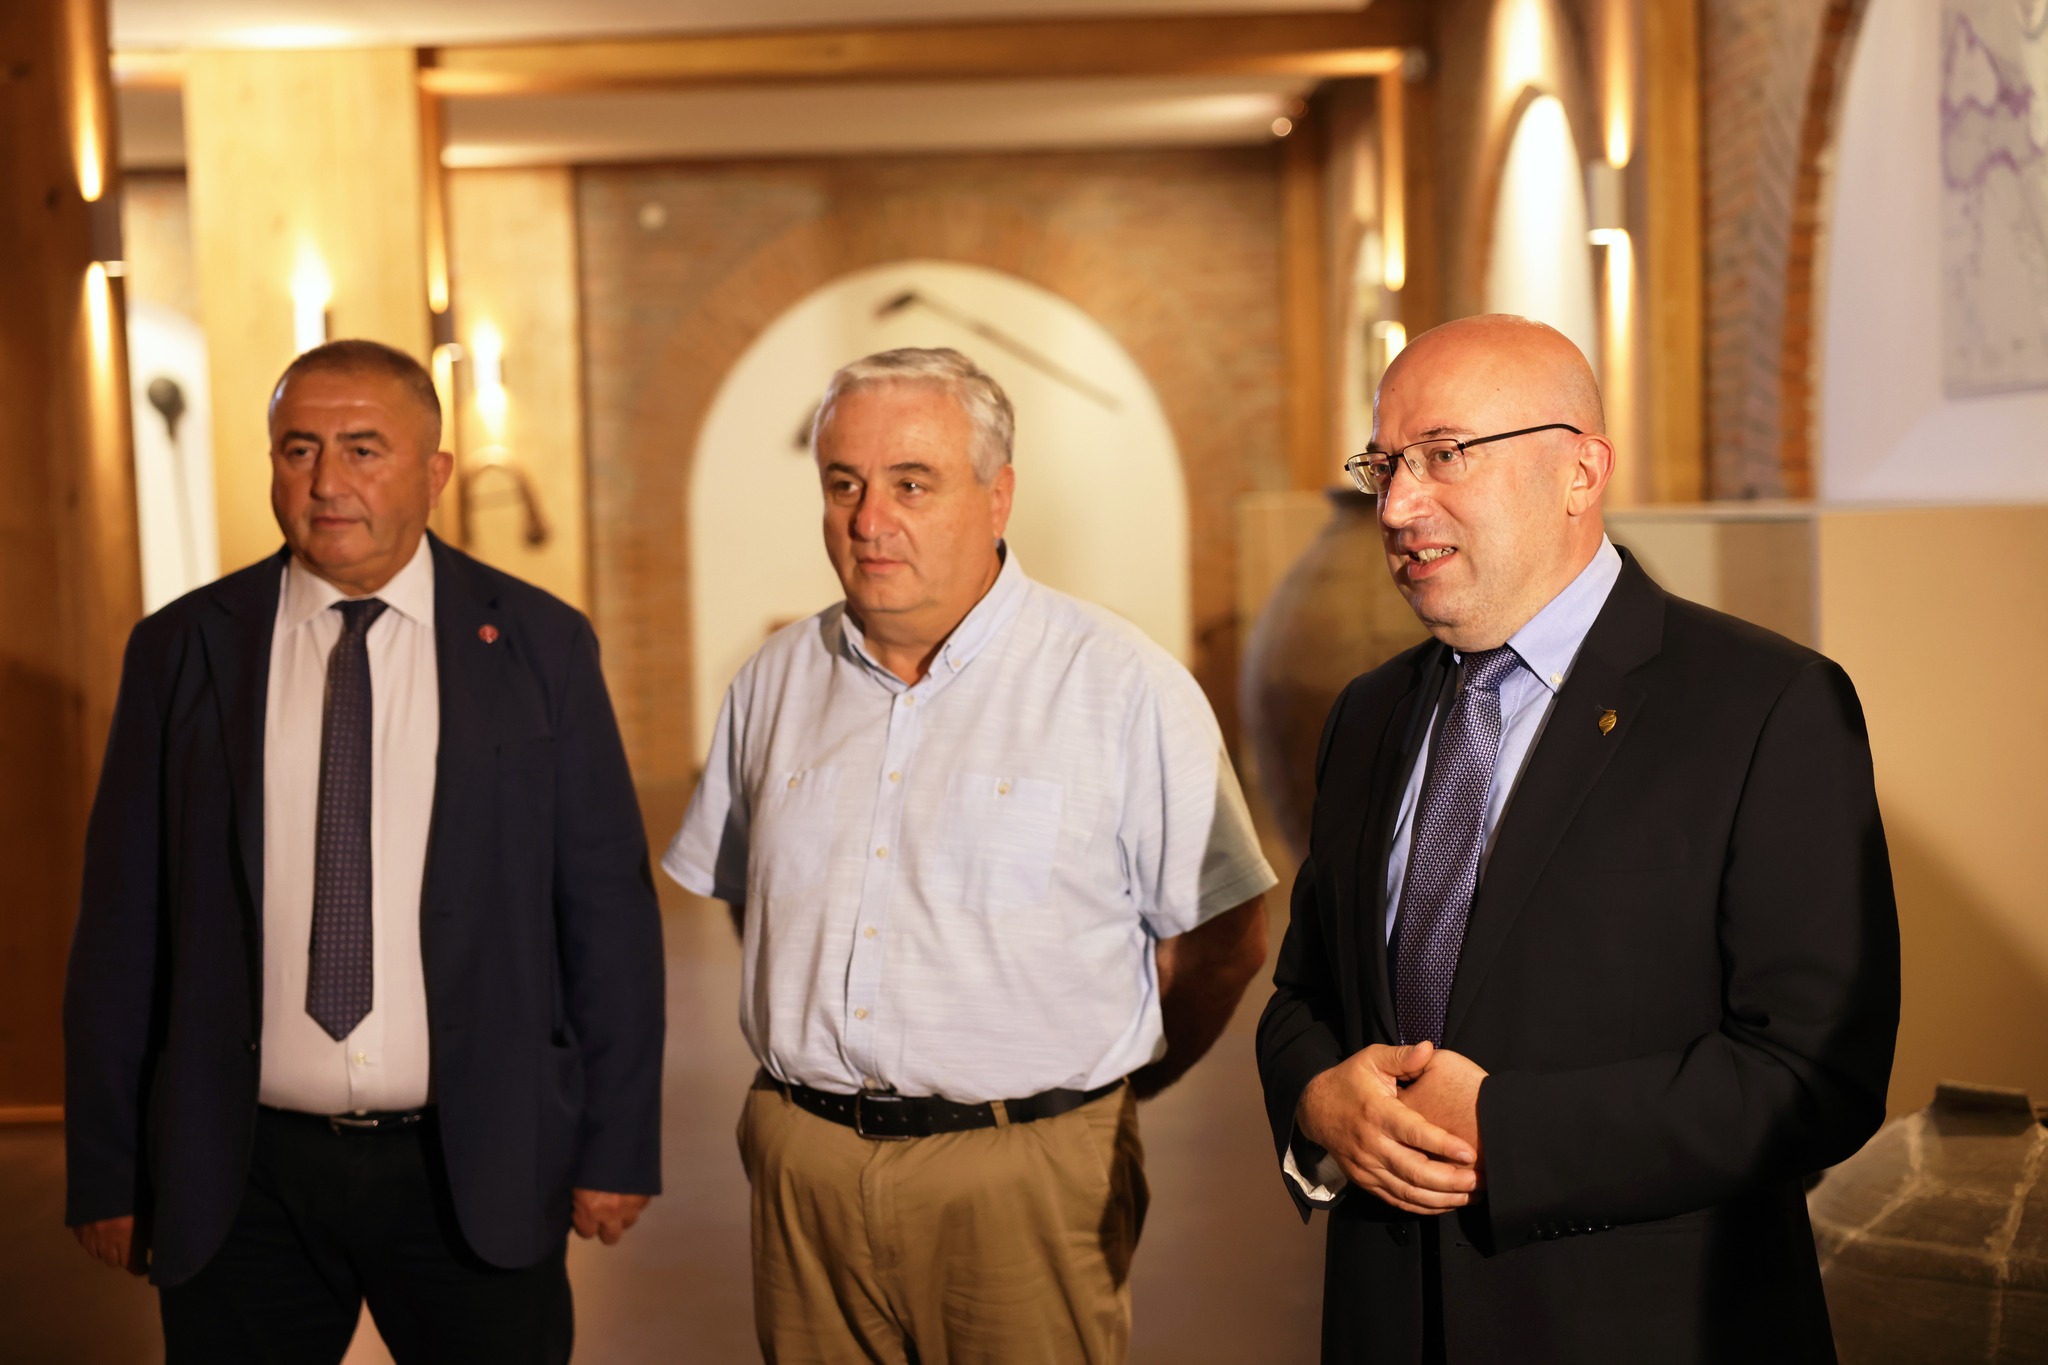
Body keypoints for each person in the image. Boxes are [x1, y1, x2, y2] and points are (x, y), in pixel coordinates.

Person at [1255, 315, 1900, 1363]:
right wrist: (1317, 1102)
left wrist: (1504, 1128)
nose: (1397, 506)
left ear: (1580, 472)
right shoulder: (1366, 715)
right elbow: (1303, 997)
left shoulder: (1766, 706)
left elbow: (1815, 1074)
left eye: (1443, 455)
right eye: (1383, 465)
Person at [665, 346, 1276, 1364]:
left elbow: (1227, 937)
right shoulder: (770, 682)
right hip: (803, 1171)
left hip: (1024, 1177)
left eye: (912, 484)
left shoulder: (1121, 685)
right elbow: (750, 898)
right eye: (844, 484)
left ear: (998, 497)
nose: (869, 520)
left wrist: (1115, 1088)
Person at [64, 339, 666, 1364]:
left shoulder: (539, 644)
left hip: (471, 1166)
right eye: (299, 449)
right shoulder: (182, 648)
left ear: (435, 473)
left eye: (362, 449)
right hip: (239, 1175)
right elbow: (122, 926)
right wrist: (109, 1165)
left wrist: (616, 1144)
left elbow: (606, 913)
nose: (326, 481)